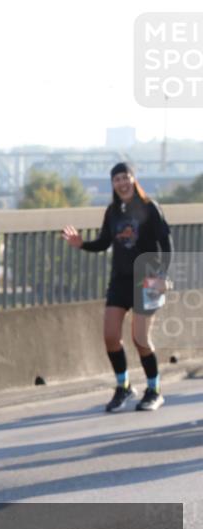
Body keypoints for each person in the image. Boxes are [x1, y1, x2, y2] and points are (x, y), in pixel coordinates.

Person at [61, 162, 173, 413]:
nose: (122, 183)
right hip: (120, 280)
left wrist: (163, 276)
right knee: (111, 337)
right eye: (116, 179)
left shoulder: (149, 207)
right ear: (113, 184)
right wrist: (81, 244)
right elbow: (103, 242)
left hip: (147, 278)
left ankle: (154, 391)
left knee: (140, 339)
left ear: (134, 179)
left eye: (125, 177)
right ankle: (123, 386)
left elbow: (166, 243)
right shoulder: (113, 211)